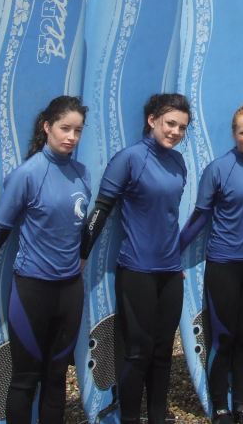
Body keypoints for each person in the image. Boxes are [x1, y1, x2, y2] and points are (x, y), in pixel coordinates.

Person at [0, 96, 91, 424]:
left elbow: (82, 224)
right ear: (47, 127)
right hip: (33, 290)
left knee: (57, 376)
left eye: (78, 131)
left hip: (70, 290)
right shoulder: (27, 175)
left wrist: (82, 257)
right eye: (64, 128)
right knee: (26, 378)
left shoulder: (82, 173)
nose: (71, 137)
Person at [82, 93, 190, 424]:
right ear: (152, 120)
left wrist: (177, 260)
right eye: (170, 123)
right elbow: (101, 209)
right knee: (138, 351)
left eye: (182, 127)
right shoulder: (129, 158)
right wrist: (82, 254)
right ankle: (130, 418)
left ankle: (158, 416)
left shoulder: (179, 162)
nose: (175, 132)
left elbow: (169, 217)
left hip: (171, 271)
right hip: (137, 269)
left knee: (163, 351)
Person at [179, 104, 243, 424]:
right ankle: (220, 407)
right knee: (223, 338)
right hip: (223, 266)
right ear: (234, 134)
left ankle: (242, 406)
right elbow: (199, 217)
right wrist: (175, 251)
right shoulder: (218, 169)